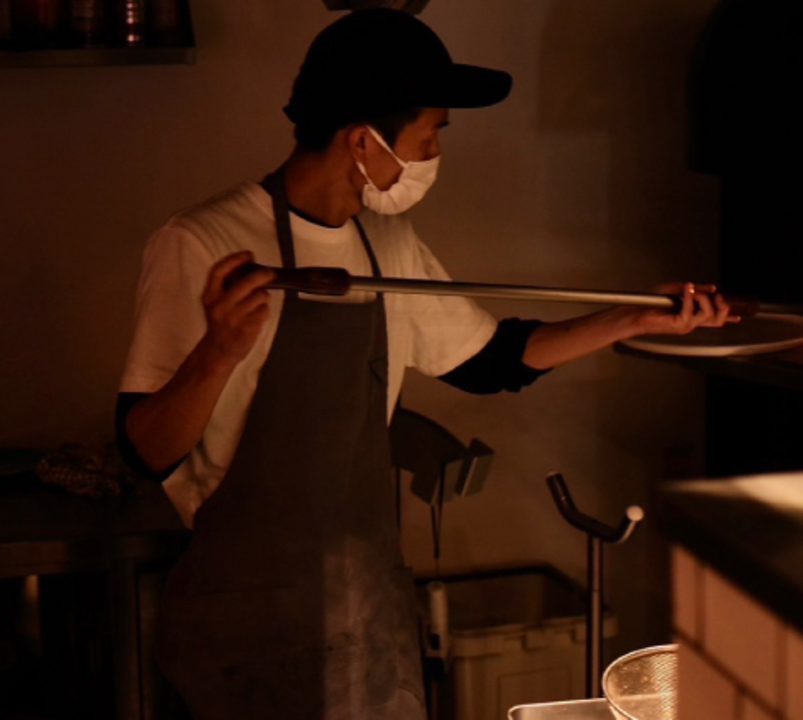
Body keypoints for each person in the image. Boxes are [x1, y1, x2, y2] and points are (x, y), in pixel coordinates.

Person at [114, 9, 731, 720]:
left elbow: (491, 361)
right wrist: (218, 352)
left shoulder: (386, 246)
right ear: (362, 140)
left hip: (365, 613)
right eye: (430, 134)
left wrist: (635, 318)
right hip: (246, 621)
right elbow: (144, 450)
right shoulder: (203, 242)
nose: (435, 152)